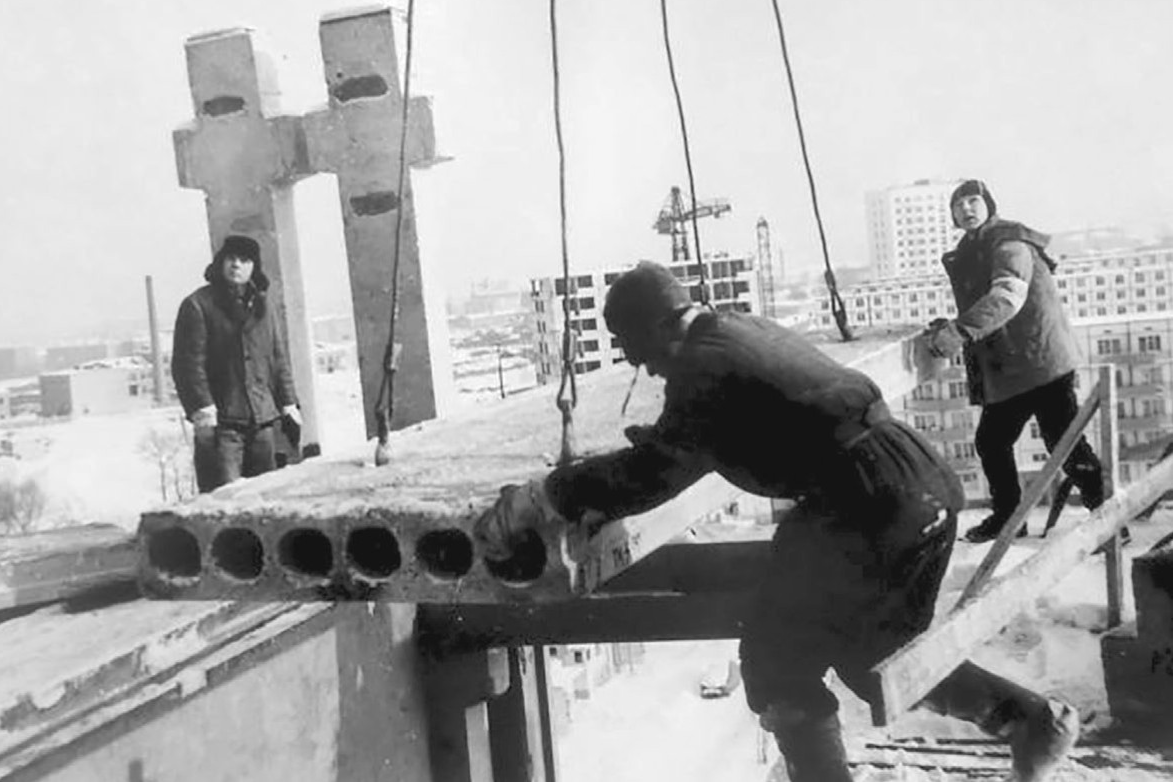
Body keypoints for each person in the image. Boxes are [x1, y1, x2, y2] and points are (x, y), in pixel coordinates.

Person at [474, 261, 1079, 782]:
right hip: (920, 484)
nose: (646, 367)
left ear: (660, 326)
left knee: (778, 665)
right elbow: (738, 421)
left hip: (866, 503)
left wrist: (547, 495)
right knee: (878, 658)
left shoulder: (702, 365)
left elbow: (656, 475)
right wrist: (672, 436)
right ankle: (1032, 721)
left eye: (640, 351)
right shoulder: (737, 329)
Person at [926, 179, 1107, 544]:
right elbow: (984, 301)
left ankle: (1110, 522)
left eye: (973, 201)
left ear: (989, 205)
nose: (966, 209)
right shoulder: (974, 248)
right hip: (1015, 368)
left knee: (1066, 446)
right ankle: (1010, 519)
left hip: (1041, 363)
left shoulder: (1008, 242)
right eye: (958, 205)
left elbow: (1007, 297)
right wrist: (953, 324)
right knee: (993, 442)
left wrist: (959, 331)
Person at [171, 235, 302, 493]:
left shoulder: (264, 306)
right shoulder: (198, 305)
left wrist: (289, 403)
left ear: (254, 267)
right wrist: (203, 410)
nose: (236, 265)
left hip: (262, 422)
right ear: (221, 262)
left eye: (244, 260)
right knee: (224, 498)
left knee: (265, 496)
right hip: (222, 426)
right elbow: (188, 366)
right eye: (231, 258)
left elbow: (278, 358)